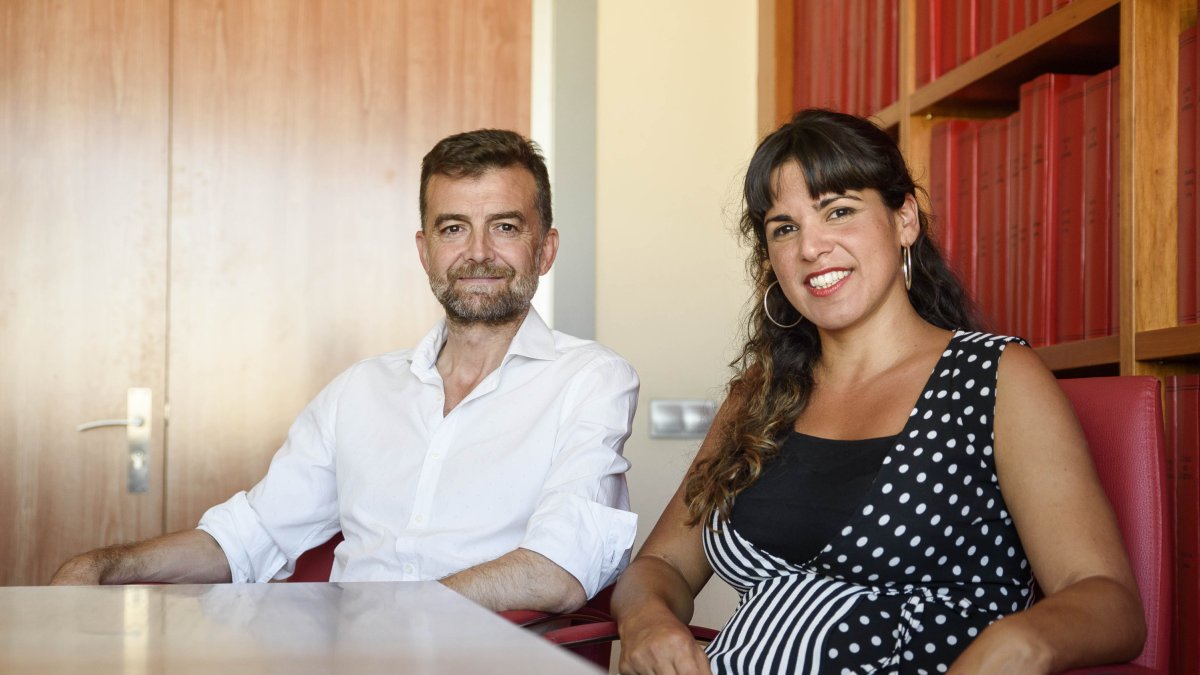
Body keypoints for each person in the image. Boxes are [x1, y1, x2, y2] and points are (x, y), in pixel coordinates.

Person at [611, 109, 1144, 674]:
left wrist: (1018, 641)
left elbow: (1107, 600)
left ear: (904, 219)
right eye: (784, 228)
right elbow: (663, 564)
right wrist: (646, 618)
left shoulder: (996, 377)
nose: (811, 248)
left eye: (838, 211)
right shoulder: (759, 395)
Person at [50, 129, 639, 615]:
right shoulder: (361, 389)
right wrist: (104, 565)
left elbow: (559, 570)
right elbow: (252, 535)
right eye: (453, 228)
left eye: (505, 227)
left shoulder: (590, 380)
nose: (478, 252)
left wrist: (389, 621)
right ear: (425, 250)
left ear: (545, 249)